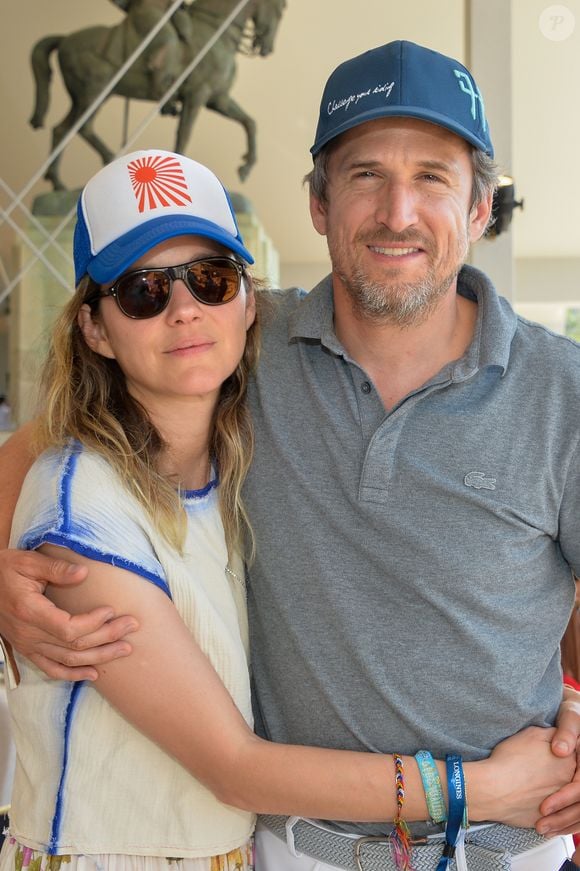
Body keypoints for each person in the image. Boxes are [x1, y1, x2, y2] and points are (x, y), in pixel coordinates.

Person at [0, 39, 580, 869]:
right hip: (297, 849)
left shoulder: (563, 390)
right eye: (365, 175)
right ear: (318, 202)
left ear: (481, 208)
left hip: (508, 848)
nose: (398, 212)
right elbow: (57, 437)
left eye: (432, 178)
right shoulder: (238, 340)